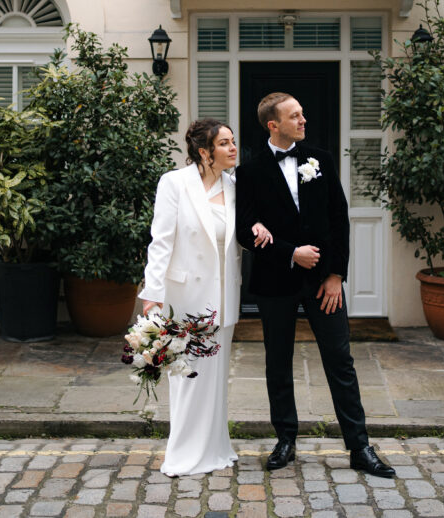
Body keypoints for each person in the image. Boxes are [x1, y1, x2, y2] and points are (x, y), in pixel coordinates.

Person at [235, 92, 394, 478]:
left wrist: (336, 275)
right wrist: (292, 253)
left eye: (303, 113)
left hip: (324, 282)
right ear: (273, 124)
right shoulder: (250, 172)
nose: (304, 120)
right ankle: (285, 440)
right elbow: (244, 230)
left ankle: (359, 447)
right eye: (295, 116)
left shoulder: (319, 159)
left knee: (340, 361)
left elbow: (340, 220)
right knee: (278, 362)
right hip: (275, 283)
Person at [139, 118, 272, 476]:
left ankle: (214, 448)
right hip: (184, 297)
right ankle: (183, 453)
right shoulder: (174, 183)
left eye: (233, 141)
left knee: (214, 380)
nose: (233, 149)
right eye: (225, 143)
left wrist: (257, 226)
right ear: (204, 151)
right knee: (186, 378)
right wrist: (151, 294)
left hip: (223, 296)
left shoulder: (235, 185)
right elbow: (161, 241)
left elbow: (244, 226)